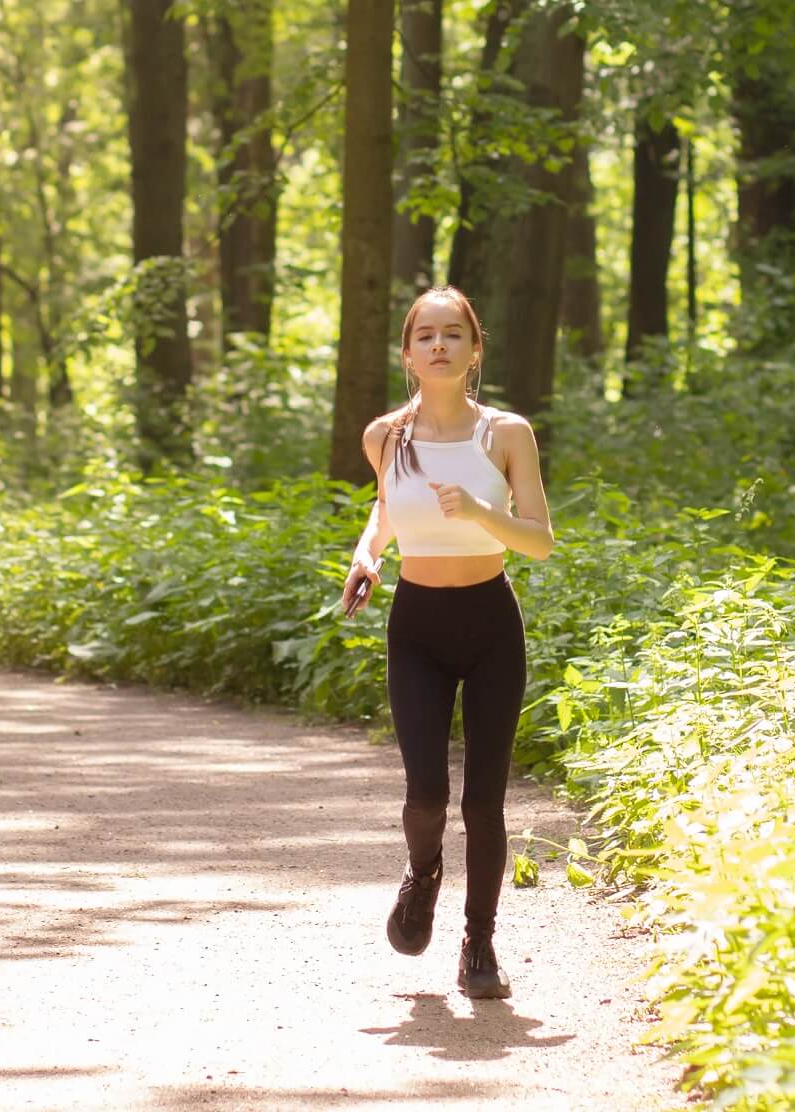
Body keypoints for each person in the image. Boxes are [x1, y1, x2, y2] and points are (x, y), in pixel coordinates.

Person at [340, 285, 554, 999]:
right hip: (418, 628)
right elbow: (384, 514)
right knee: (427, 794)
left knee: (484, 801)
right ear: (407, 353)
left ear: (475, 350)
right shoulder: (384, 437)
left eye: (452, 335)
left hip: (492, 625)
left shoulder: (506, 433)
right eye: (425, 335)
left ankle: (480, 943)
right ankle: (423, 870)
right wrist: (367, 554)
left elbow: (541, 543)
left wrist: (486, 511)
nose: (439, 345)